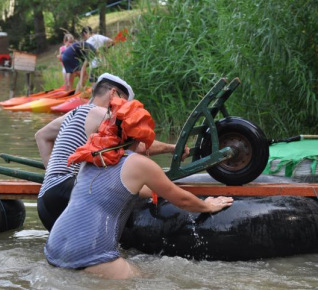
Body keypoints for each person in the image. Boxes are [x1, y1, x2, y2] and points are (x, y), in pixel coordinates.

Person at [44, 96, 234, 280]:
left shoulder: (91, 157)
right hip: (90, 252)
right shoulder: (138, 164)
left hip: (54, 246)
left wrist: (160, 191)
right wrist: (207, 205)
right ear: (140, 137)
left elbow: (126, 190)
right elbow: (182, 200)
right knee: (148, 280)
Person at [35, 73, 189, 232]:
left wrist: (54, 174)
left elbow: (41, 136)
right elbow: (139, 145)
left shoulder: (73, 113)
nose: (123, 111)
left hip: (46, 199)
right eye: (124, 103)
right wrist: (172, 148)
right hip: (70, 193)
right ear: (113, 93)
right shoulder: (101, 113)